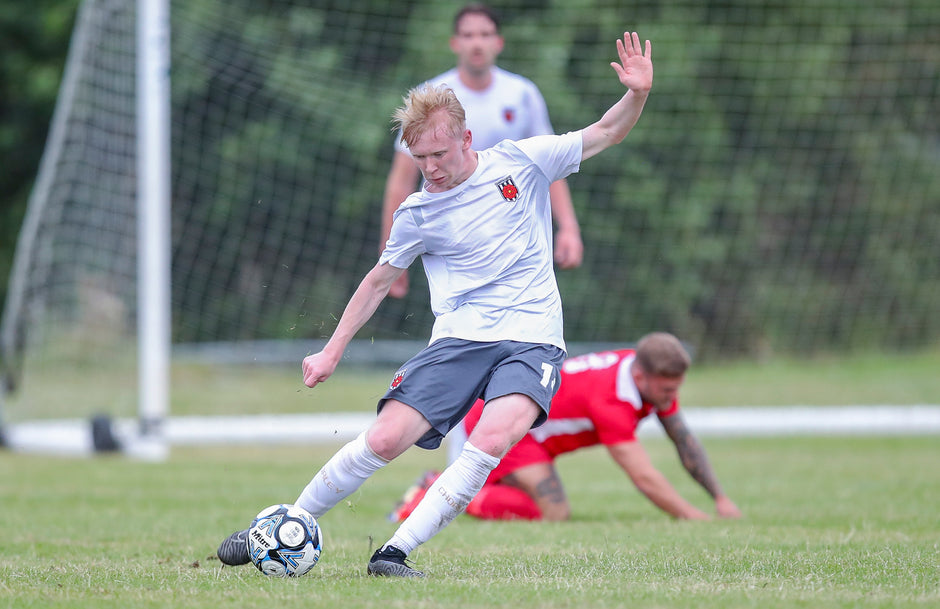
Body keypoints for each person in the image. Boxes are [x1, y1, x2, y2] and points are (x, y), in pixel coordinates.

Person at [217, 31, 654, 578]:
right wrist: (330, 353)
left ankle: (392, 554)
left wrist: (636, 95)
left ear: (467, 138)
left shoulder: (520, 162)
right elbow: (377, 281)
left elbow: (607, 132)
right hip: (459, 338)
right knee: (383, 439)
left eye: (440, 154)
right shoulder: (418, 212)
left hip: (533, 335)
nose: (432, 168)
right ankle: (282, 526)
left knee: (493, 436)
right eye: (420, 158)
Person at [388, 333, 743, 523]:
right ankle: (435, 487)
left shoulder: (647, 377)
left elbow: (684, 440)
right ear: (640, 377)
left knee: (541, 507)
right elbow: (643, 475)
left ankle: (446, 487)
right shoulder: (613, 399)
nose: (673, 398)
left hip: (530, 431)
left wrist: (721, 499)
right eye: (668, 390)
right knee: (552, 514)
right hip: (508, 426)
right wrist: (691, 516)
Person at [380, 3, 583, 299]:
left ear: (498, 42)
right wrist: (389, 254)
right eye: (468, 34)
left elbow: (549, 165)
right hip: (452, 229)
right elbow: (402, 179)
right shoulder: (429, 97)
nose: (477, 42)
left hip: (513, 226)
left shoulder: (522, 94)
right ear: (455, 43)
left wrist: (568, 227)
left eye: (485, 34)